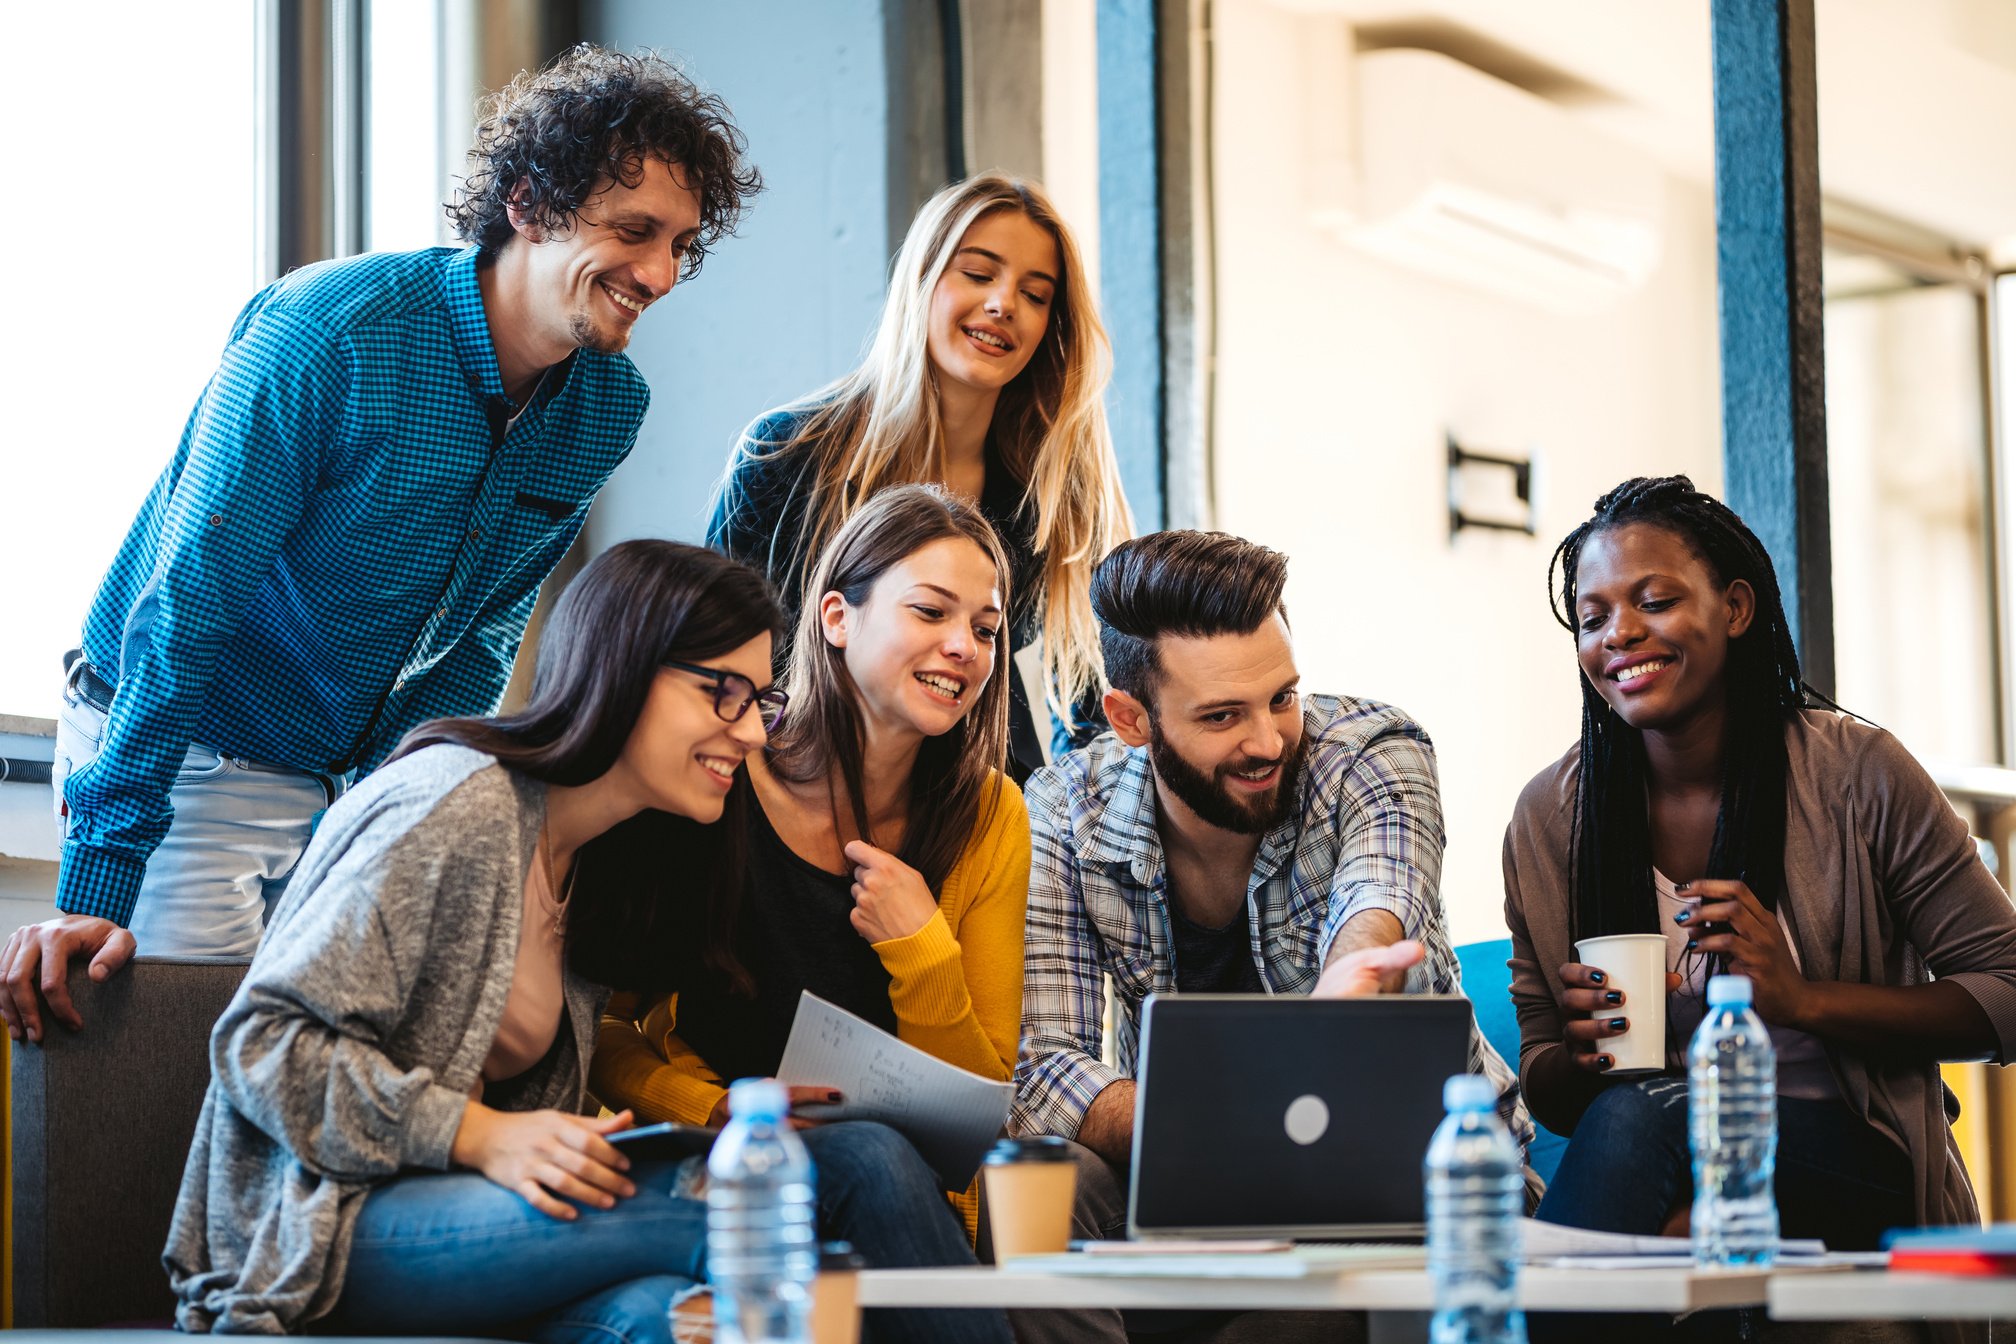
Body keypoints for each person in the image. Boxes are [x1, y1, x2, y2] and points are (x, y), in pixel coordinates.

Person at [6, 47, 764, 1041]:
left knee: (323, 1064)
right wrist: (102, 873)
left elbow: (487, 635)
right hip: (191, 747)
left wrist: (387, 816)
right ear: (530, 203)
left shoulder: (607, 406)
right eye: (635, 232)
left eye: (681, 245)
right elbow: (185, 599)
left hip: (347, 781)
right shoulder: (334, 332)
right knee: (174, 1078)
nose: (661, 274)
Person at [166, 541, 994, 1342]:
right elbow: (260, 1045)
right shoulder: (456, 804)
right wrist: (480, 1134)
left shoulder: (606, 861)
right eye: (723, 694)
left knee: (667, 1316)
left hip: (496, 1221)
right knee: (743, 1197)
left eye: (761, 701)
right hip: (324, 1226)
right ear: (624, 670)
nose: (750, 733)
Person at [1015, 530, 1532, 1344]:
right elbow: (1044, 1066)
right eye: (1222, 716)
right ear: (1130, 719)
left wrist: (1348, 988)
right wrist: (1225, 1137)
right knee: (1048, 1183)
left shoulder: (1371, 754)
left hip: (1418, 1186)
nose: (1266, 741)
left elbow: (1377, 898)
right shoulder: (1062, 812)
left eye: (1282, 697)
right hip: (1202, 1189)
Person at [1506, 476, 2016, 1267]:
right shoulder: (1548, 819)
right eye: (1593, 616)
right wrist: (1579, 1055)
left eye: (1655, 601)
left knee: (1639, 1117)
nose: (1620, 634)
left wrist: (1804, 1000)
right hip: (1647, 1161)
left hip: (1855, 1160)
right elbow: (1550, 1087)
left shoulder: (1855, 776)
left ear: (1736, 609)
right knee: (1638, 1130)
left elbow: (2007, 992)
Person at [592, 485, 1025, 1344]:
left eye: (985, 627)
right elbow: (600, 1035)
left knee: (874, 1153)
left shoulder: (991, 814)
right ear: (836, 617)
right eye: (931, 610)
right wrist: (716, 1108)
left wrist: (920, 948)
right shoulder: (716, 776)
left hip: (910, 1200)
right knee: (866, 1153)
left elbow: (985, 1102)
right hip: (730, 1163)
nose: (963, 648)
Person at [707, 171, 1132, 780]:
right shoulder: (786, 453)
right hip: (794, 793)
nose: (1003, 303)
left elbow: (1088, 696)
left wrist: (1075, 827)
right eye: (979, 273)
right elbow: (718, 666)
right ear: (923, 279)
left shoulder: (1053, 490)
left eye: (1035, 295)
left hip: (973, 802)